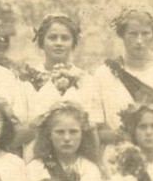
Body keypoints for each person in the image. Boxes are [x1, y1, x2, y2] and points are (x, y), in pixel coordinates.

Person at [94, 6, 153, 159]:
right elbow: (96, 130)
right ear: (122, 35)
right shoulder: (104, 74)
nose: (139, 41)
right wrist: (128, 138)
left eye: (145, 34)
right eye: (132, 34)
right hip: (119, 157)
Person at [20, 13, 102, 154]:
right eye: (52, 37)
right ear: (41, 41)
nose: (59, 43)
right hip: (37, 160)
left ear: (73, 42)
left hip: (79, 159)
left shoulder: (87, 80)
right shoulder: (26, 81)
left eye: (65, 38)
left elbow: (94, 131)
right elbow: (18, 133)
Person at [27, 101, 104, 181]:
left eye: (73, 132)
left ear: (82, 134)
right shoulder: (36, 167)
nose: (67, 138)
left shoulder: (89, 168)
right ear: (49, 135)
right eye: (60, 132)